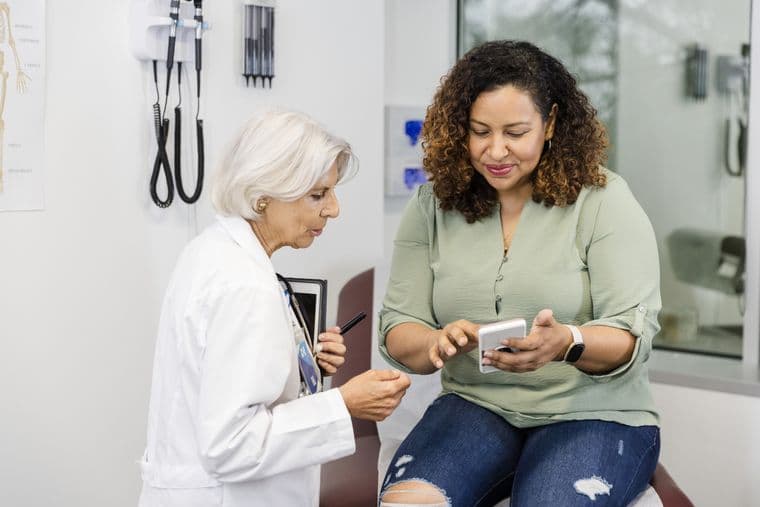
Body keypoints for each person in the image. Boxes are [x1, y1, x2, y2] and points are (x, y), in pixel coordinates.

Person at [377, 40, 661, 506]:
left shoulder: (603, 201)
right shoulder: (432, 206)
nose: (495, 150)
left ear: (550, 124)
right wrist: (434, 343)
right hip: (477, 404)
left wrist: (567, 343)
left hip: (593, 413)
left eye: (515, 132)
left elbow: (632, 336)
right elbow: (397, 327)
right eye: (479, 131)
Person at [138, 109, 411, 507]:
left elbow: (223, 379)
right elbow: (231, 444)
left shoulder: (212, 251)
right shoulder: (244, 285)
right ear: (264, 195)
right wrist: (344, 403)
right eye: (318, 194)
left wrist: (302, 362)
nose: (333, 209)